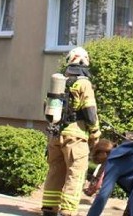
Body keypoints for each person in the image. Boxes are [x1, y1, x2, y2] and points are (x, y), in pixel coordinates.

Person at [42, 46, 101, 216]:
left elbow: (46, 107)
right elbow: (90, 112)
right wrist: (95, 133)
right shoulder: (84, 84)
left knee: (55, 171)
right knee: (75, 173)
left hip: (55, 135)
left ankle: (48, 208)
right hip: (75, 137)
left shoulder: (59, 83)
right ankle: (67, 211)